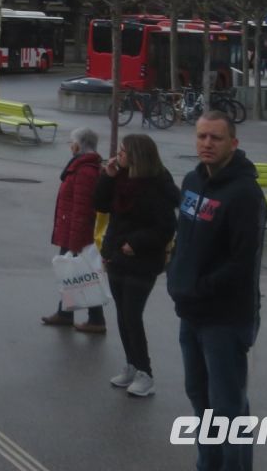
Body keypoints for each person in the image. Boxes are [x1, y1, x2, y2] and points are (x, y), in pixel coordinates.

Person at [166, 111, 267, 471]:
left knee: (228, 408)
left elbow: (242, 263)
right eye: (202, 137)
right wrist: (174, 275)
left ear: (233, 144)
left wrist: (197, 287)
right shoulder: (192, 181)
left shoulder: (245, 194)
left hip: (226, 318)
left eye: (216, 138)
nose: (207, 144)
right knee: (200, 399)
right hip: (191, 313)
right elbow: (183, 239)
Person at [93, 133, 179, 398]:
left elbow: (166, 226)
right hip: (116, 255)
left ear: (137, 155)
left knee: (132, 314)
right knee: (121, 314)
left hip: (142, 259)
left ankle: (145, 372)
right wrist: (106, 177)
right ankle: (131, 364)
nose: (118, 154)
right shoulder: (120, 177)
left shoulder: (158, 184)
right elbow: (101, 205)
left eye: (123, 151)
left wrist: (136, 243)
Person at [42, 127, 106, 334]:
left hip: (76, 232)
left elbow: (82, 206)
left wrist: (75, 240)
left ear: (79, 145)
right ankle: (67, 313)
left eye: (71, 141)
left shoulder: (85, 170)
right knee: (72, 273)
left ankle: (94, 318)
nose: (70, 145)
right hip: (71, 229)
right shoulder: (82, 166)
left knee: (80, 274)